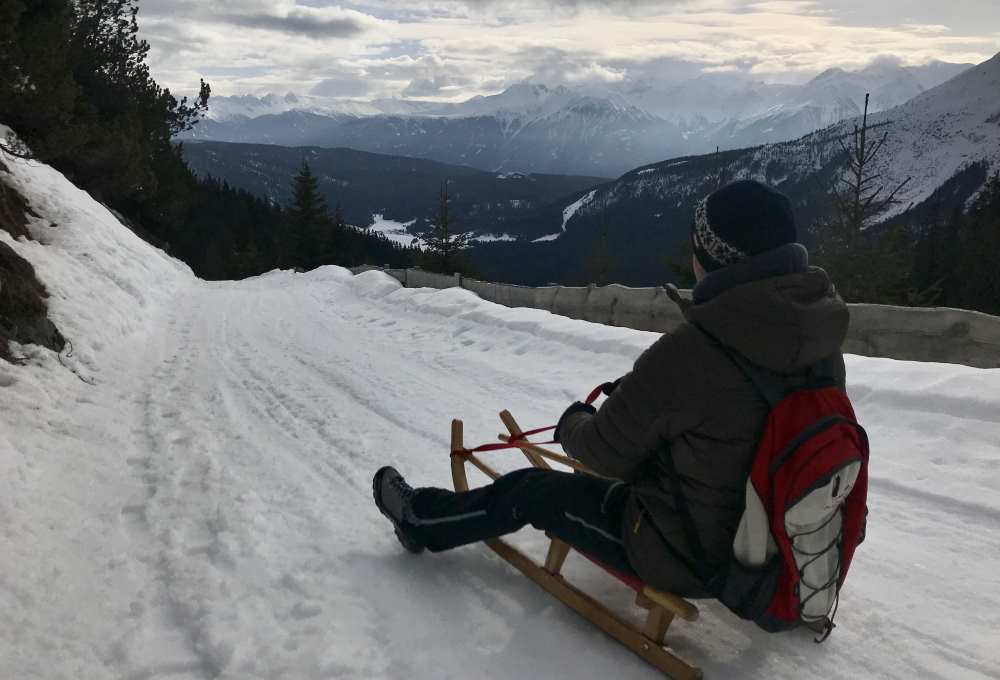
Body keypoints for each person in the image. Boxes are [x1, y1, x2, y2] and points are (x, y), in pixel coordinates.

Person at [373, 179, 850, 597]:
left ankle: (421, 519)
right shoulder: (819, 340)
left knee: (531, 491)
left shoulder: (695, 351)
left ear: (710, 258)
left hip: (689, 558)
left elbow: (601, 453)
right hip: (777, 553)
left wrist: (573, 422)